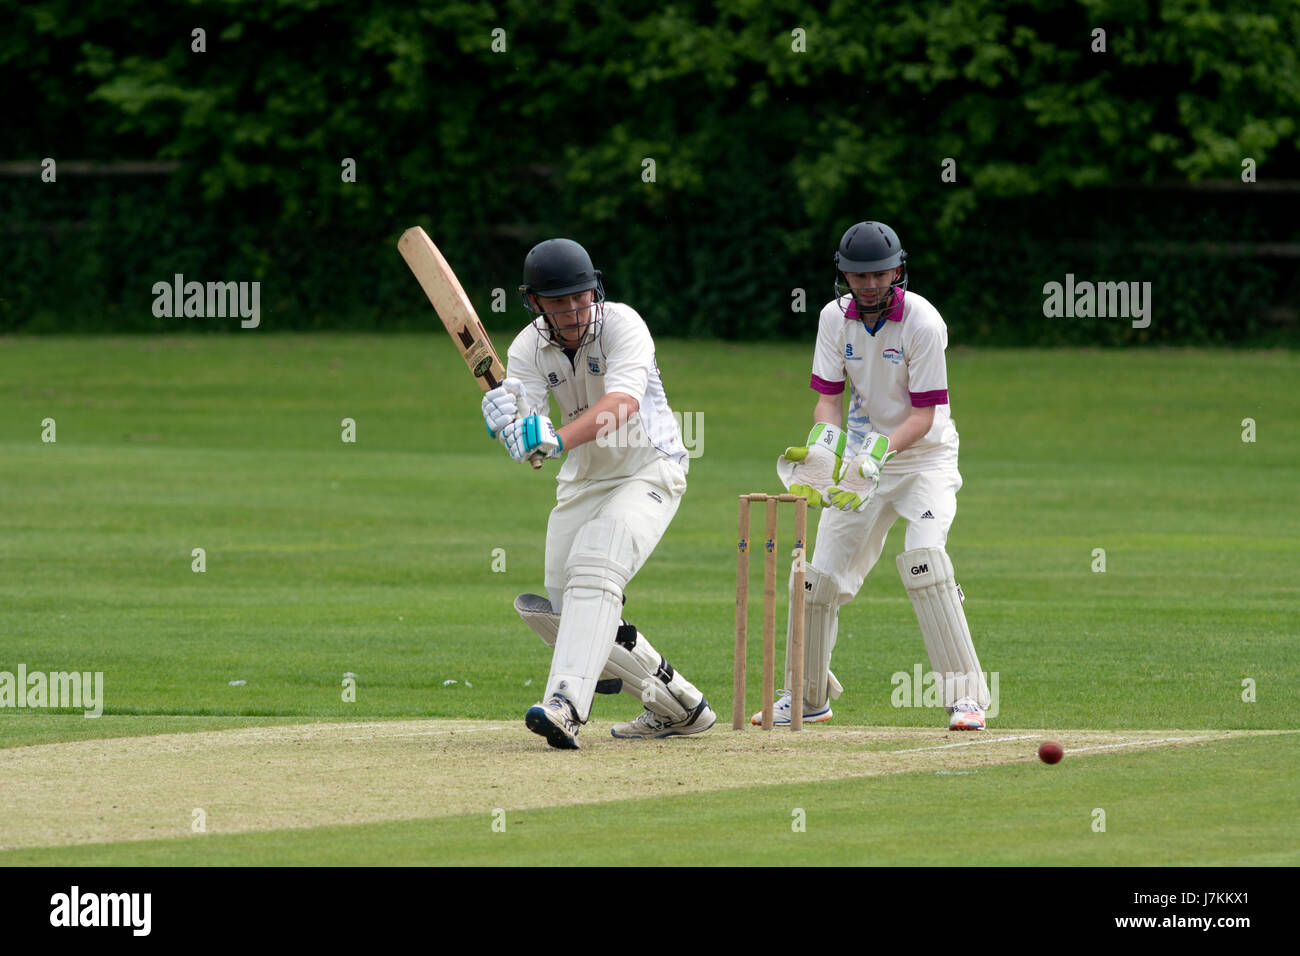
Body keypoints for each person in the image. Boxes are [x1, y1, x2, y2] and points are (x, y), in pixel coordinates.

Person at [480, 238, 714, 749]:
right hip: (584, 480)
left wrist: (557, 438)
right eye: (557, 301)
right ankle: (681, 707)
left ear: (595, 291)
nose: (570, 310)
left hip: (649, 469)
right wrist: (509, 428)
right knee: (560, 613)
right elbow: (530, 431)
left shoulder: (624, 325)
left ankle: (564, 706)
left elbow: (623, 403)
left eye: (579, 297)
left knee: (594, 568)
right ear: (536, 302)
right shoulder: (526, 348)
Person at [773, 220, 991, 731]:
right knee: (815, 579)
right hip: (861, 464)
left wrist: (878, 453)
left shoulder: (923, 323)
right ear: (843, 275)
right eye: (858, 275)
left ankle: (966, 701)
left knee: (925, 563)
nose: (869, 285)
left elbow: (925, 416)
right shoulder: (834, 319)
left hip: (923, 460)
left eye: (879, 274)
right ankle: (807, 699)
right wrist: (827, 448)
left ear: (898, 270)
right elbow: (829, 399)